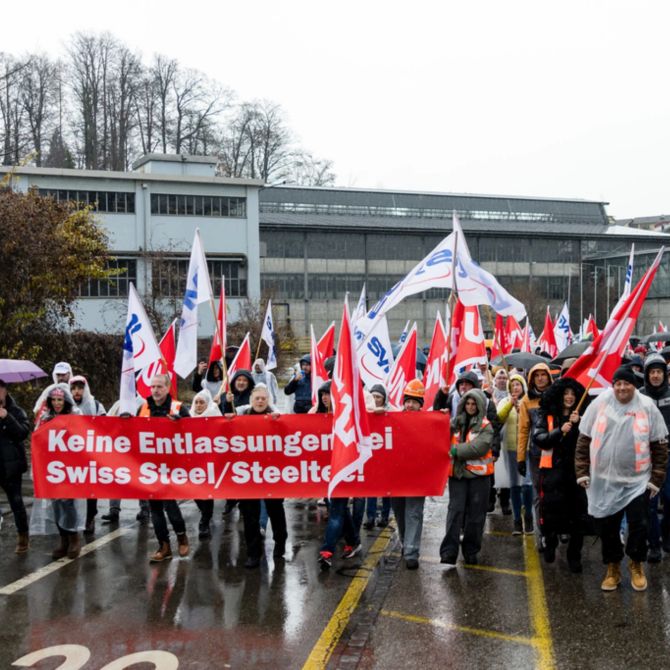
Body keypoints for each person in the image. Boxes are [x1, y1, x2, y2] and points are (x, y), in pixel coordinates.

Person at [575, 367, 669, 591]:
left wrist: (656, 478)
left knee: (638, 526)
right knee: (607, 527)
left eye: (626, 384)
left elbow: (660, 446)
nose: (622, 388)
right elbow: (583, 440)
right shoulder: (600, 404)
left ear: (634, 386)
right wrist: (582, 471)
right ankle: (613, 567)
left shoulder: (646, 406)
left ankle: (636, 564)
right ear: (613, 384)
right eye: (618, 383)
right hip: (604, 480)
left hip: (637, 482)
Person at [532, 378, 590, 572]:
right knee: (550, 516)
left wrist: (579, 424)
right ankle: (550, 541)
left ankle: (574, 556)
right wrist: (560, 430)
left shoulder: (583, 417)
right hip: (551, 474)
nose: (570, 397)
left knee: (578, 517)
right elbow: (539, 438)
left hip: (576, 474)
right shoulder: (546, 415)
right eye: (566, 393)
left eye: (573, 394)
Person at [138, 374, 191, 562]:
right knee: (155, 507)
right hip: (149, 465)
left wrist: (181, 423)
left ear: (168, 388)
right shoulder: (143, 407)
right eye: (152, 386)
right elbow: (132, 434)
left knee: (169, 503)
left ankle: (181, 536)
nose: (155, 390)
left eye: (159, 386)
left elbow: (196, 433)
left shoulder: (178, 408)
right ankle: (164, 545)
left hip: (171, 465)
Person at [440, 389, 494, 568]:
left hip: (479, 477)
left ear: (479, 406)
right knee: (455, 513)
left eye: (474, 404)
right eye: (468, 403)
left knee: (476, 517)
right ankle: (449, 552)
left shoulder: (486, 425)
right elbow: (437, 433)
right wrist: (440, 415)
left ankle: (471, 551)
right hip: (458, 476)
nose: (470, 407)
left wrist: (456, 451)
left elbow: (479, 447)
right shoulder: (455, 423)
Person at [237, 385, 288, 567]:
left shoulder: (277, 418)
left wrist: (279, 424)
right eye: (257, 398)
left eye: (263, 398)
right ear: (251, 400)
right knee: (250, 517)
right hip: (249, 474)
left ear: (268, 400)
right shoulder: (241, 418)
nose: (260, 401)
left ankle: (280, 542)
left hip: (272, 474)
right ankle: (253, 553)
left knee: (275, 512)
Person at [34, 383, 83, 559]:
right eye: (53, 399)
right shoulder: (46, 417)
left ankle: (74, 538)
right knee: (55, 504)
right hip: (52, 467)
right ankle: (63, 540)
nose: (56, 403)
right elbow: (38, 438)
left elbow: (82, 439)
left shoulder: (74, 416)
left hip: (68, 466)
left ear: (65, 401)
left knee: (68, 503)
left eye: (60, 400)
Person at [391, 379, 428, 570]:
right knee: (399, 510)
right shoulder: (394, 419)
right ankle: (407, 544)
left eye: (414, 401)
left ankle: (412, 552)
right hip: (396, 477)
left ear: (420, 403)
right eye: (408, 400)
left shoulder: (429, 422)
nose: (410, 404)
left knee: (413, 512)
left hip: (417, 477)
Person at [516, 362, 554, 539]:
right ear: (531, 379)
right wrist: (520, 458)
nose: (540, 378)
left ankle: (559, 528)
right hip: (536, 454)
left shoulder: (557, 395)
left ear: (548, 376)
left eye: (543, 374)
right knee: (539, 495)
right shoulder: (526, 401)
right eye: (536, 375)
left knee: (557, 492)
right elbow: (523, 430)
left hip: (557, 453)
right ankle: (543, 533)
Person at [640, 353, 670, 562]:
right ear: (647, 375)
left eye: (659, 372)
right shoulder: (639, 397)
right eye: (653, 372)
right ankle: (654, 544)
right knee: (649, 504)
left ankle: (667, 537)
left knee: (669, 500)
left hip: (668, 459)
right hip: (646, 460)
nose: (656, 376)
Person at [69, 375, 106, 535]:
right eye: (74, 388)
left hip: (91, 454)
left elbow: (107, 425)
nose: (77, 392)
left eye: (80, 388)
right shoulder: (65, 406)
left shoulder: (96, 406)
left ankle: (90, 517)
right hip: (72, 454)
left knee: (90, 488)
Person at [497, 373, 533, 535]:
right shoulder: (505, 401)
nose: (515, 387)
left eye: (518, 384)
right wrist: (510, 405)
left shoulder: (528, 402)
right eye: (513, 385)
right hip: (510, 448)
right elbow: (498, 419)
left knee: (527, 484)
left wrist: (521, 410)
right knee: (514, 485)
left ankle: (529, 518)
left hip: (527, 449)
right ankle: (517, 520)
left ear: (523, 386)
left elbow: (533, 422)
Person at [0, 379, 30, 553]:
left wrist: (6, 417)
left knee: (16, 503)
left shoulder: (16, 411)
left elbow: (22, 433)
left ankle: (23, 537)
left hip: (11, 466)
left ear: (5, 391)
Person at [189, 389, 222, 539]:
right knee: (195, 492)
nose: (198, 405)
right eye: (196, 402)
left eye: (202, 402)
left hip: (209, 462)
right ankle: (205, 514)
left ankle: (204, 522)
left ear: (207, 404)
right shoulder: (188, 417)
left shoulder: (213, 416)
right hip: (193, 462)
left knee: (206, 492)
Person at [364, 384, 391, 529]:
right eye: (373, 396)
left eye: (378, 397)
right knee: (372, 488)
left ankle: (385, 516)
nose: (375, 399)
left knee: (386, 488)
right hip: (371, 455)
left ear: (384, 399)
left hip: (386, 456)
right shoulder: (365, 412)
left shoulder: (390, 412)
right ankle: (370, 517)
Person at [33, 361, 73, 426]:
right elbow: (37, 410)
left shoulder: (74, 390)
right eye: (58, 375)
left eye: (63, 375)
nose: (60, 378)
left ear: (69, 374)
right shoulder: (49, 390)